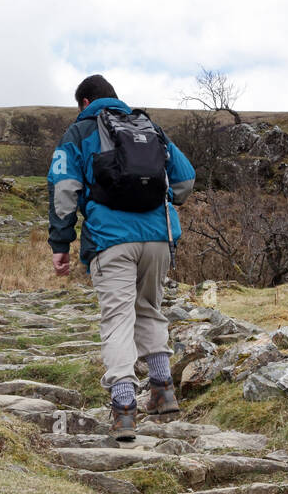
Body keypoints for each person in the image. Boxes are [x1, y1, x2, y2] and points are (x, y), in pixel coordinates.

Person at [47, 74, 195, 441]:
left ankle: (124, 409)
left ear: (84, 102)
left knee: (117, 318)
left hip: (111, 240)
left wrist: (60, 245)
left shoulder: (79, 133)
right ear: (114, 97)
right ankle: (162, 391)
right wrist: (161, 204)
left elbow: (64, 188)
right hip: (159, 238)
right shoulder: (148, 126)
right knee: (149, 307)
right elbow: (185, 179)